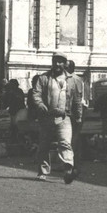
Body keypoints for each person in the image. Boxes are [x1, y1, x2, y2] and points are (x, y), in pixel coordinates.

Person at [29, 53, 78, 184]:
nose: (57, 64)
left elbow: (77, 99)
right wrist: (39, 104)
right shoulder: (43, 78)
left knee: (65, 143)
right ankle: (43, 171)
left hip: (64, 117)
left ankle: (68, 169)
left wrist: (78, 116)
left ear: (65, 64)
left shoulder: (71, 79)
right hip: (47, 117)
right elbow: (36, 93)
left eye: (60, 62)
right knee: (44, 145)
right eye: (55, 61)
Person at [65, 60, 86, 166]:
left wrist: (78, 115)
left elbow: (78, 98)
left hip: (73, 113)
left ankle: (73, 163)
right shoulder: (64, 79)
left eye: (66, 67)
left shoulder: (76, 79)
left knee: (73, 138)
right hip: (66, 113)